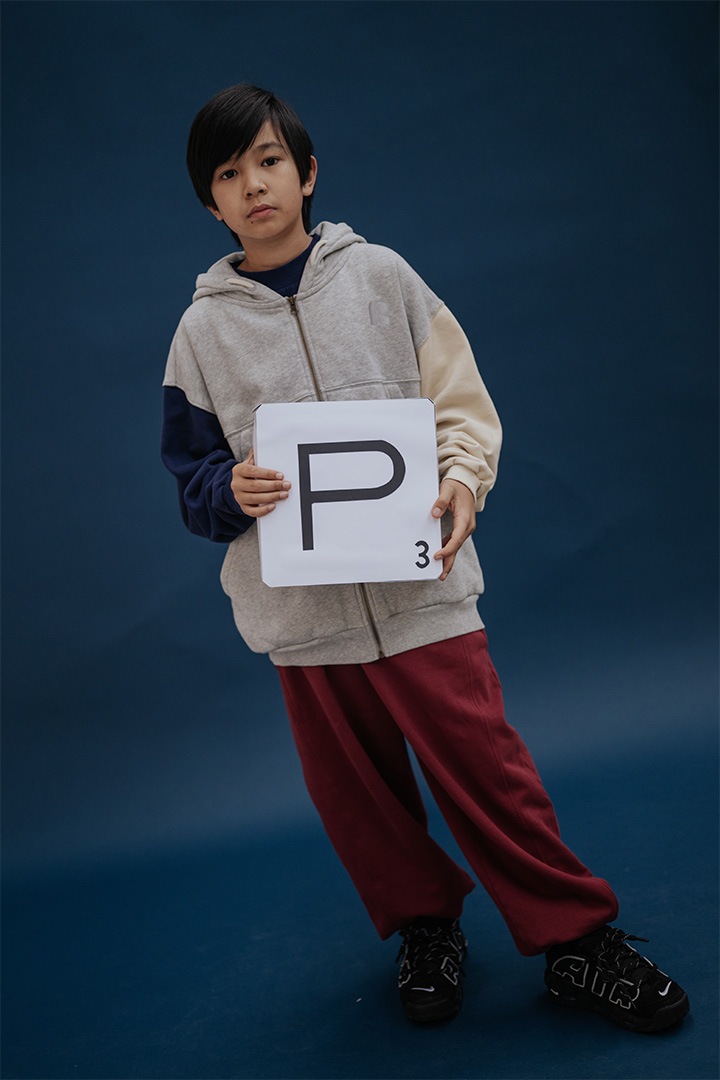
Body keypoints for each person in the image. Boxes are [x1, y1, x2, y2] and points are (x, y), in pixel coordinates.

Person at [161, 83, 688, 1033]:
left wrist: (463, 481)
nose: (254, 185)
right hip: (304, 623)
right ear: (212, 203)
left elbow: (461, 407)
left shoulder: (384, 279)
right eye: (229, 174)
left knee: (488, 773)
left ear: (307, 173)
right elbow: (191, 478)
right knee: (357, 798)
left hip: (423, 593)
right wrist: (227, 491)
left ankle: (576, 941)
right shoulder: (201, 334)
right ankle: (426, 927)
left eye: (269, 161)